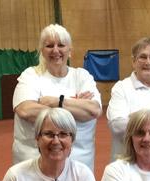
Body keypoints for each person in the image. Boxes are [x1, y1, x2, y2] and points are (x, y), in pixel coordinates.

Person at [12, 24, 102, 169]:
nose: (55, 50)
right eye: (49, 46)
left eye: (61, 45)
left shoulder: (82, 76)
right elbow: (26, 111)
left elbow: (94, 111)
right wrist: (76, 106)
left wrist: (55, 102)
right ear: (42, 51)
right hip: (34, 162)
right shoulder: (30, 75)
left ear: (70, 51)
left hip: (79, 162)